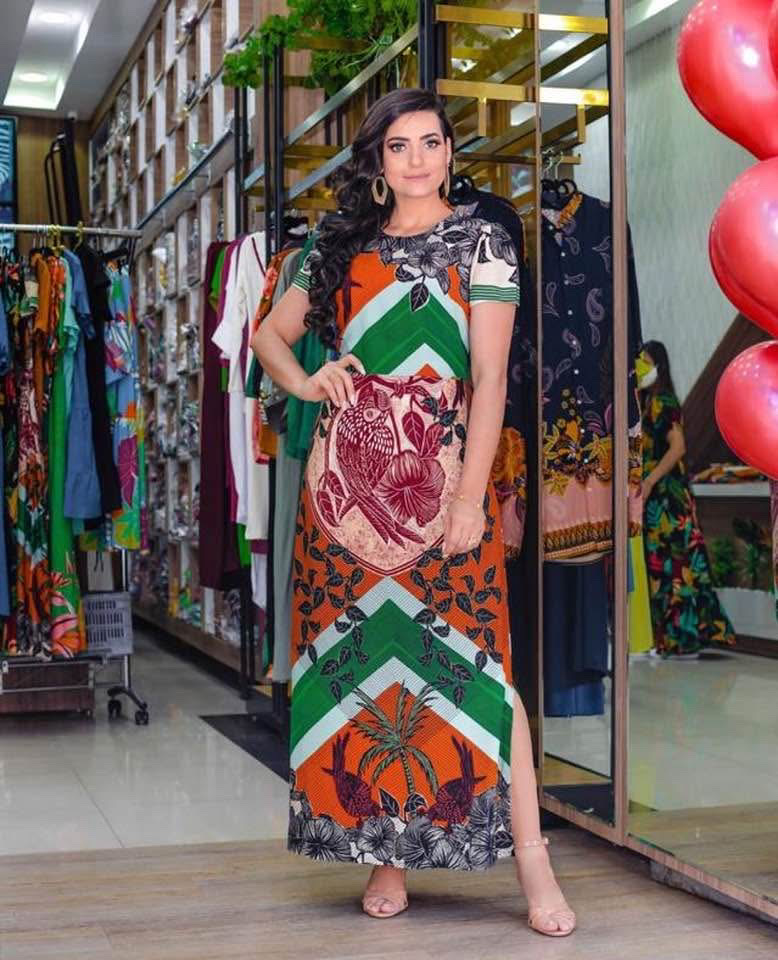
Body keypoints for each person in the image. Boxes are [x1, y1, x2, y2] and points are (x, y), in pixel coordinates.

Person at [252, 87, 575, 937]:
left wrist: (471, 496)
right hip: (343, 500)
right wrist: (307, 382)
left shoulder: (483, 241)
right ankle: (385, 854)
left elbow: (491, 381)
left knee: (484, 676)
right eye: (400, 146)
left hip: (444, 490)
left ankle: (534, 862)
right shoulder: (336, 244)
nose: (419, 160)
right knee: (362, 667)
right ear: (378, 160)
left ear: (450, 152)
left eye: (431, 142)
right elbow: (268, 337)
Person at [638, 340, 735, 657]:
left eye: (645, 362)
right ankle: (670, 638)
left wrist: (650, 479)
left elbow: (677, 447)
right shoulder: (644, 402)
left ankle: (686, 637)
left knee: (679, 567)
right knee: (664, 568)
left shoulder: (663, 402)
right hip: (656, 499)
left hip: (670, 499)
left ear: (658, 365)